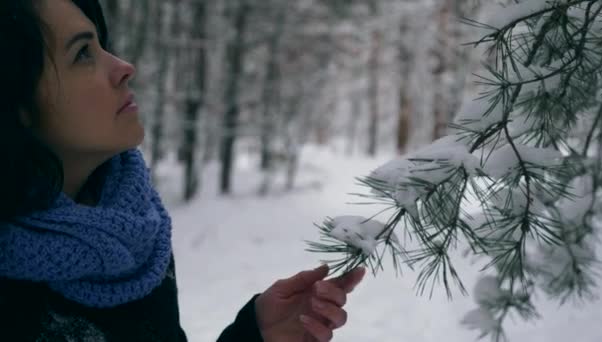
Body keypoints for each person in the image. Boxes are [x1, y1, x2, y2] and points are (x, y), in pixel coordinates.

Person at [0, 0, 366, 341]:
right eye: (82, 53)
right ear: (16, 101)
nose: (124, 67)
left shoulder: (131, 229)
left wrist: (255, 334)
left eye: (100, 44)